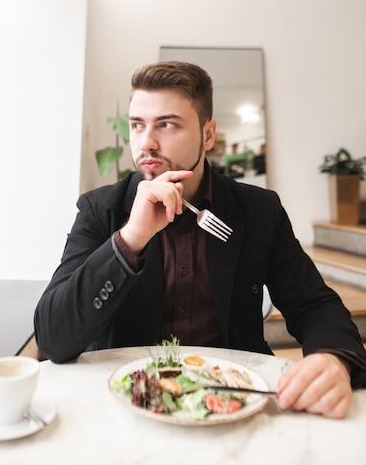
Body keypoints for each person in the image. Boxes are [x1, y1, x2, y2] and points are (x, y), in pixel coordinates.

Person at [34, 61, 366, 419]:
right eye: (137, 125)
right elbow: (54, 337)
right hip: (128, 402)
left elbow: (315, 306)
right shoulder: (101, 210)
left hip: (234, 399)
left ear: (208, 135)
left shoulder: (258, 210)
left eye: (166, 124)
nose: (146, 142)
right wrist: (131, 239)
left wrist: (333, 359)